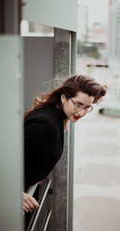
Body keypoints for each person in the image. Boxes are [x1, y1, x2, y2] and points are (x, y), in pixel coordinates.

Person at [23, 74, 107, 212]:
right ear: (64, 98)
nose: (81, 112)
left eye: (87, 107)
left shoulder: (56, 117)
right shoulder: (46, 123)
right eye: (78, 104)